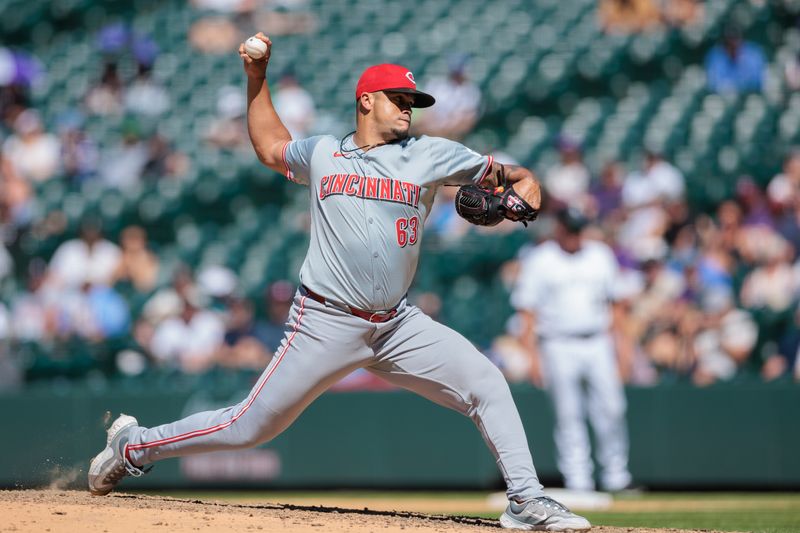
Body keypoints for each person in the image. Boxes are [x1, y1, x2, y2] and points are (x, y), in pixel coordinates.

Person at [87, 32, 590, 532]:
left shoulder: (432, 154)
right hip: (325, 321)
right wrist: (257, 77)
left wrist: (526, 191)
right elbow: (269, 147)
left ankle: (526, 499)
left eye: (413, 101)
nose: (408, 108)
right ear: (366, 100)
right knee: (249, 427)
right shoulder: (324, 152)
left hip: (398, 325)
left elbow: (517, 175)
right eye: (399, 99)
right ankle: (134, 446)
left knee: (487, 383)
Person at [512, 207, 635, 493]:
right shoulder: (541, 259)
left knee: (613, 408)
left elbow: (616, 306)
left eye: (579, 230)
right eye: (571, 230)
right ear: (560, 229)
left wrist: (624, 350)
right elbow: (527, 312)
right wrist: (532, 358)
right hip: (557, 342)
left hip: (597, 340)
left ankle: (616, 476)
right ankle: (578, 480)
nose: (575, 236)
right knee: (568, 414)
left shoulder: (599, 255)